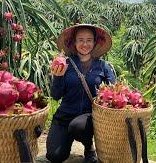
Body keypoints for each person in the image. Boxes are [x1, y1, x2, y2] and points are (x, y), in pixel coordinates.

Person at [46, 24, 116, 163]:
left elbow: (112, 95)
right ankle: (66, 139)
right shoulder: (65, 64)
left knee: (78, 126)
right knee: (54, 156)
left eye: (89, 40)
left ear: (95, 42)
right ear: (74, 42)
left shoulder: (103, 66)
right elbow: (56, 95)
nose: (85, 44)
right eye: (81, 40)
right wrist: (58, 77)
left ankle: (89, 147)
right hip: (64, 117)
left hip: (89, 118)